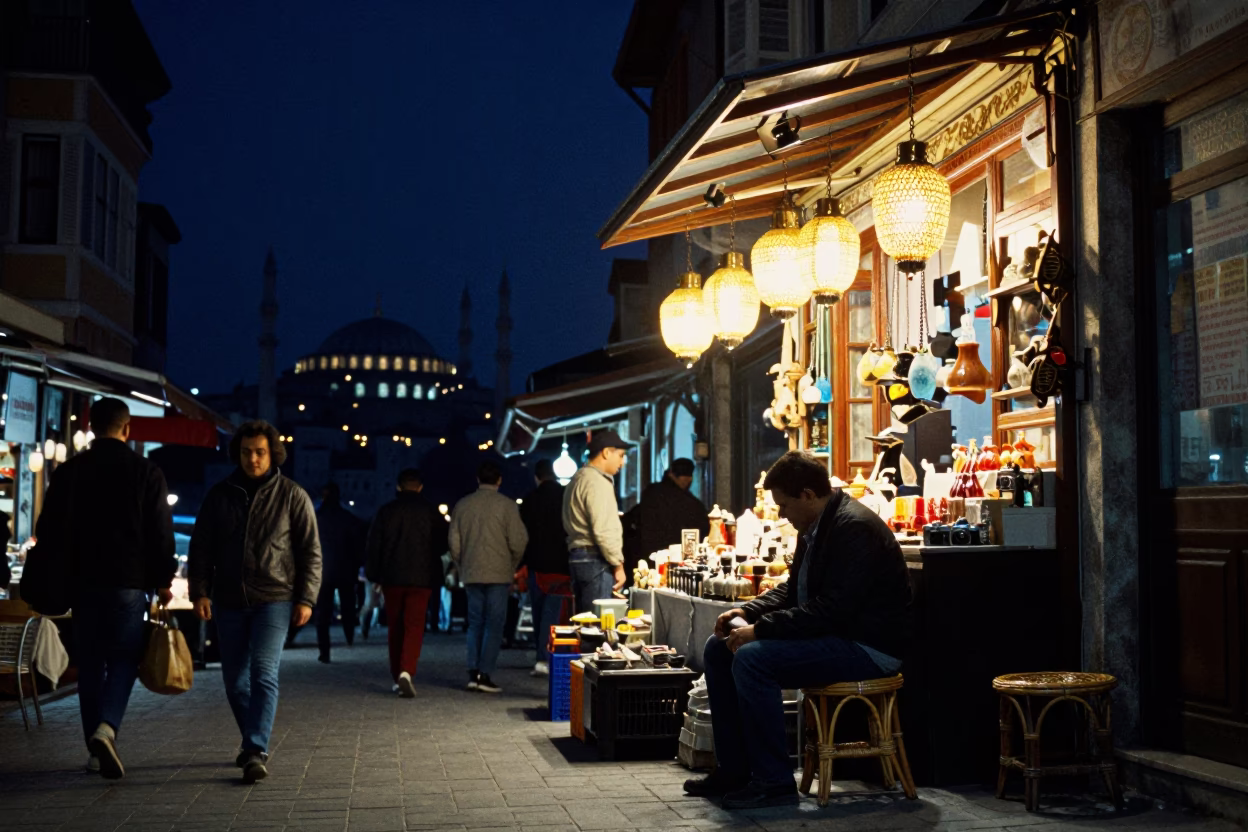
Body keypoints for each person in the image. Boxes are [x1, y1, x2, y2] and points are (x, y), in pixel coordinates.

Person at [685, 450, 912, 810]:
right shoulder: (816, 525)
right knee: (719, 648)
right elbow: (793, 591)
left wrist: (760, 631)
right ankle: (735, 770)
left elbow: (831, 610)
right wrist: (746, 610)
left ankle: (773, 781)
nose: (782, 516)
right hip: (837, 635)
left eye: (784, 505)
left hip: (867, 646)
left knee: (752, 659)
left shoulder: (854, 528)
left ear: (807, 495)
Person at [35, 398, 175, 779]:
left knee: (92, 664)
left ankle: (95, 753)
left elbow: (47, 529)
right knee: (126, 657)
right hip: (128, 582)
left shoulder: (70, 472)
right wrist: (163, 579)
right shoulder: (146, 472)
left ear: (91, 427)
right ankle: (107, 728)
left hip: (82, 582)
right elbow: (161, 532)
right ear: (127, 429)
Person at [189, 420, 322, 784]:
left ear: (272, 453)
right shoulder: (220, 495)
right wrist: (199, 591)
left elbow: (311, 552)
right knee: (235, 682)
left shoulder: (293, 496)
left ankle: (256, 748)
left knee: (264, 673)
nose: (253, 459)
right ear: (238, 453)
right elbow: (201, 546)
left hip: (275, 597)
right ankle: (252, 743)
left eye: (260, 452)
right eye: (247, 452)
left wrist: (306, 598)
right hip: (229, 599)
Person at [365, 468, 447, 697]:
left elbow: (374, 545)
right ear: (420, 487)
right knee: (414, 626)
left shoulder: (386, 511)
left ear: (398, 487)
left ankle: (396, 675)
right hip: (422, 578)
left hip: (392, 578)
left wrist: (375, 575)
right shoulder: (431, 512)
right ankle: (407, 670)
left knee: (395, 627)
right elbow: (443, 544)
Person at [448, 460, 527, 694]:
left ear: (478, 479)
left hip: (472, 571)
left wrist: (461, 563)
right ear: (499, 480)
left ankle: (472, 672)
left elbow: (454, 542)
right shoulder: (508, 506)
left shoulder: (463, 505)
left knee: (475, 623)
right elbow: (519, 541)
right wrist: (511, 564)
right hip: (499, 572)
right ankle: (486, 673)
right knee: (494, 624)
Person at [561, 429, 629, 614]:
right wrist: (618, 565)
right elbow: (603, 529)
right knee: (598, 628)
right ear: (606, 452)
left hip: (578, 557)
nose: (622, 463)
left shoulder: (578, 478)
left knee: (585, 625)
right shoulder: (597, 482)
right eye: (621, 456)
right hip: (595, 559)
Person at [519, 458, 568, 677]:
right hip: (563, 563)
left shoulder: (530, 500)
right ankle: (552, 655)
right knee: (557, 613)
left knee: (539, 612)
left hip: (537, 564)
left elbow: (523, 535)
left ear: (536, 477)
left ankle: (541, 656)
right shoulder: (566, 497)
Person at [313, 483, 363, 663]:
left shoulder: (315, 518)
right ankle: (349, 634)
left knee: (322, 612)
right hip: (345, 569)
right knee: (347, 605)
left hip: (322, 569)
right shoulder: (348, 519)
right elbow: (358, 547)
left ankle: (324, 650)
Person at [635, 458, 709, 568]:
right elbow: (704, 529)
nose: (686, 480)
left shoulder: (651, 492)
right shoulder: (693, 504)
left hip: (648, 555)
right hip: (679, 559)